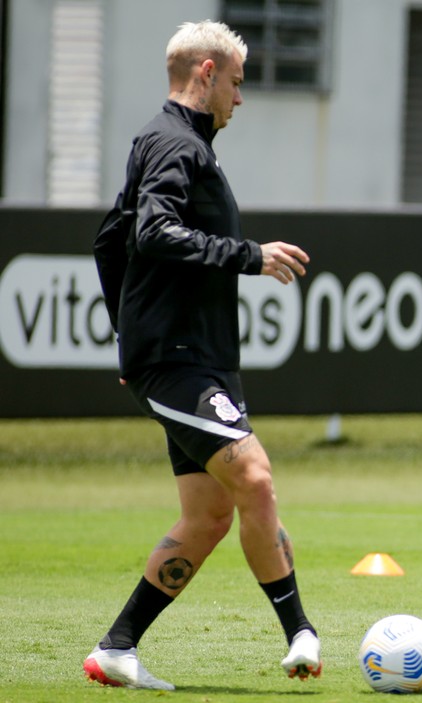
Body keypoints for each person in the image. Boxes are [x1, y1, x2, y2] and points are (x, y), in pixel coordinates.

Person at [85, 21, 320, 690]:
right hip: (179, 360)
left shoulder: (177, 143)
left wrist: (128, 329)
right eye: (238, 85)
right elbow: (154, 231)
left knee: (211, 514)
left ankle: (117, 647)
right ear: (208, 72)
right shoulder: (172, 143)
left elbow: (111, 242)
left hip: (196, 358)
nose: (240, 101)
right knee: (258, 477)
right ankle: (300, 630)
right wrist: (250, 255)